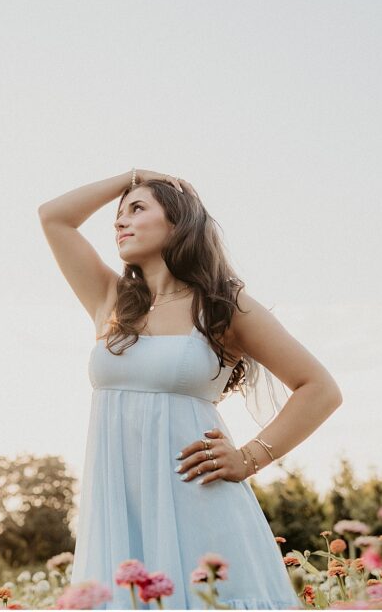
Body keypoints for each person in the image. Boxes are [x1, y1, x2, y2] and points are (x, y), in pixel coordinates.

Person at [39, 169, 343, 608]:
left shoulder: (223, 304)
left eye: (137, 209)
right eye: (118, 215)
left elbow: (320, 388)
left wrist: (248, 458)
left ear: (179, 222)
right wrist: (131, 176)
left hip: (199, 505)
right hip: (119, 513)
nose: (120, 223)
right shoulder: (110, 298)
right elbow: (54, 218)